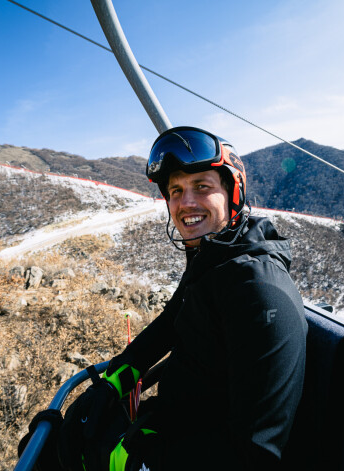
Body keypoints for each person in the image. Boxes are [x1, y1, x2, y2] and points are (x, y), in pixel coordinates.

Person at [30, 127, 308, 471]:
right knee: (56, 440)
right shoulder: (214, 260)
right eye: (176, 191)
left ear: (232, 194)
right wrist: (116, 381)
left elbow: (255, 454)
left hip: (188, 449)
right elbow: (171, 322)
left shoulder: (258, 292)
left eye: (202, 187)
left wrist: (136, 462)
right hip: (170, 423)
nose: (185, 202)